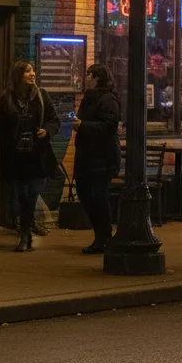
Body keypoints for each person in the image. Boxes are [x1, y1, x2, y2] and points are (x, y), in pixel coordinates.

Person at [0, 61, 60, 252]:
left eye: (33, 70)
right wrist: (10, 143)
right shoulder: (7, 98)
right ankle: (24, 231)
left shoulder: (41, 96)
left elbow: (53, 119)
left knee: (31, 193)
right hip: (16, 156)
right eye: (27, 71)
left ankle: (25, 233)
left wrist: (46, 131)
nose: (32, 74)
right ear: (18, 76)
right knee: (20, 193)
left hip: (36, 154)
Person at [72, 64, 121, 254]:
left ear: (98, 78)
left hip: (102, 155)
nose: (86, 78)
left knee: (98, 196)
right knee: (84, 193)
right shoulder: (89, 99)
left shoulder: (108, 99)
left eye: (89, 75)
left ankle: (104, 237)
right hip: (86, 154)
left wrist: (83, 125)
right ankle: (100, 235)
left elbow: (109, 126)